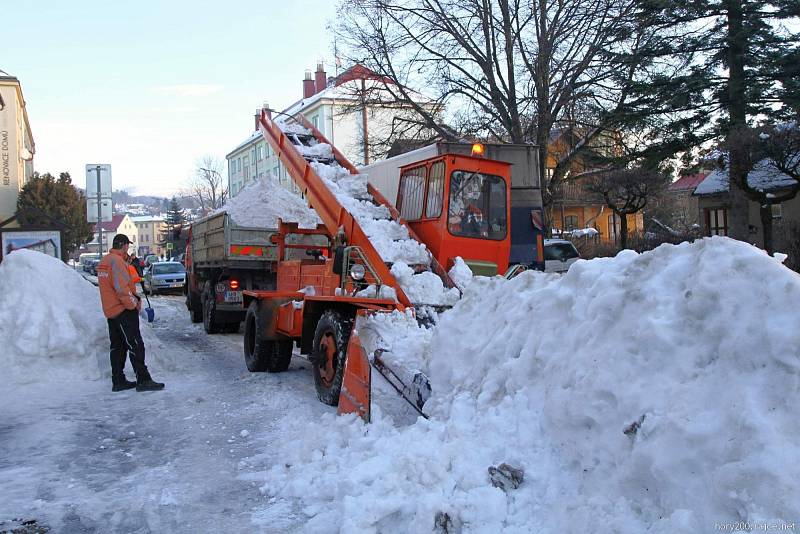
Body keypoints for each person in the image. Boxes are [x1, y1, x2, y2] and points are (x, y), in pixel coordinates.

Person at [97, 234, 165, 392]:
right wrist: (133, 305)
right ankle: (143, 379)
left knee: (118, 347)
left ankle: (118, 380)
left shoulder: (105, 261)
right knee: (135, 344)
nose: (128, 248)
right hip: (123, 310)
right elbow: (121, 289)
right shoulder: (116, 262)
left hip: (111, 310)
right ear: (123, 245)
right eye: (127, 245)